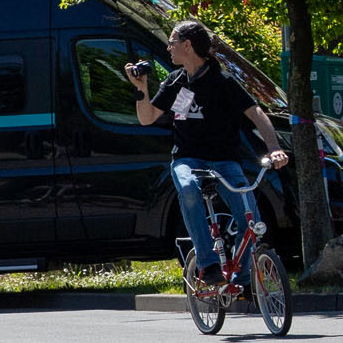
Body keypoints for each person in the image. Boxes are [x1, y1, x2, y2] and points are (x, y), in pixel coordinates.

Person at [124, 19, 289, 285]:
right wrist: (141, 88)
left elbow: (257, 114)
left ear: (187, 45)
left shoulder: (222, 81)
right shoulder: (177, 82)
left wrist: (275, 149)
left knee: (251, 220)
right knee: (188, 189)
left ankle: (241, 276)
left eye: (172, 42)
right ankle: (208, 264)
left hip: (224, 162)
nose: (168, 48)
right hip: (188, 159)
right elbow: (147, 118)